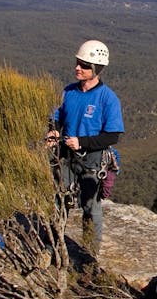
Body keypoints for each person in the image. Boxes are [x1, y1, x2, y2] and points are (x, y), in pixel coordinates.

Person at [48, 39, 124, 252]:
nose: (77, 68)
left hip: (92, 159)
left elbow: (112, 135)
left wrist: (82, 142)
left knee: (90, 207)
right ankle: (55, 244)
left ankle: (90, 253)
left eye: (83, 66)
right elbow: (57, 116)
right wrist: (54, 130)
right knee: (59, 199)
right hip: (67, 155)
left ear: (96, 69)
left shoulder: (107, 98)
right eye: (77, 63)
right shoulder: (69, 92)